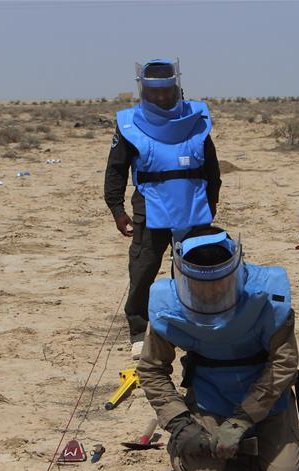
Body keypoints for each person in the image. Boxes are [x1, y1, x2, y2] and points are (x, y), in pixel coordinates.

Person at [136, 228, 299, 471]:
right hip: (210, 394)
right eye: (198, 286)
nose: (210, 294)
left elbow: (283, 363)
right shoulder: (168, 307)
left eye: (220, 285)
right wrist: (180, 424)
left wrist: (243, 419)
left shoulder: (268, 297)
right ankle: (227, 447)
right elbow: (152, 369)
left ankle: (252, 444)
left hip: (266, 396)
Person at [103, 58, 222, 351]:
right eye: (154, 92)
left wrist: (212, 197)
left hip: (192, 201)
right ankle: (139, 330)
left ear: (176, 88)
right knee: (143, 268)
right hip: (150, 203)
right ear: (143, 91)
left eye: (166, 92)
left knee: (195, 265)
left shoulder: (196, 117)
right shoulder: (129, 123)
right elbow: (116, 168)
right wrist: (117, 209)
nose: (160, 97)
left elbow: (211, 164)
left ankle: (193, 322)